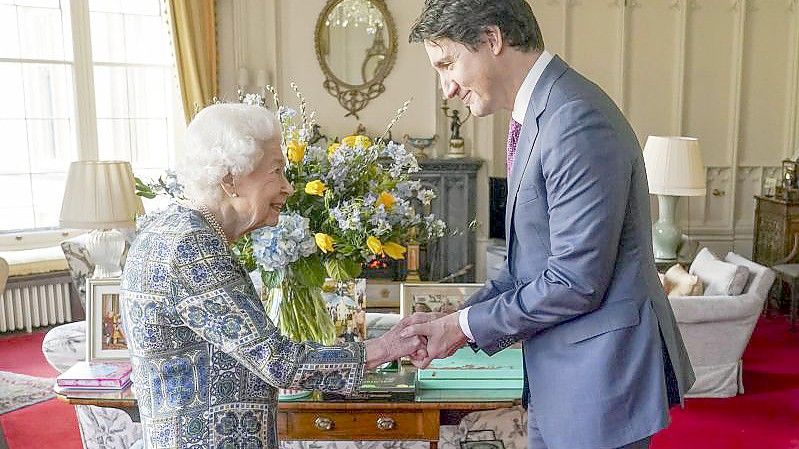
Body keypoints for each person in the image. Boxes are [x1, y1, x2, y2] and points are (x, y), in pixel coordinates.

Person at [402, 2, 696, 449]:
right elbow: (529, 268)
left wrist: (463, 327)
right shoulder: (542, 112)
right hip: (563, 379)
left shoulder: (576, 119)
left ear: (492, 39)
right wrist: (454, 318)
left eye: (447, 64)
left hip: (600, 382)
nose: (446, 88)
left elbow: (576, 282)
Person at [119, 103, 425, 449]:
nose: (288, 188)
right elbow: (278, 361)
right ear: (230, 179)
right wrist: (384, 348)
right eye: (276, 171)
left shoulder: (170, 230)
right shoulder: (192, 247)